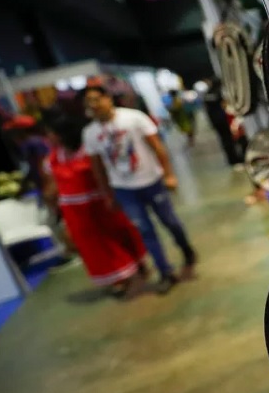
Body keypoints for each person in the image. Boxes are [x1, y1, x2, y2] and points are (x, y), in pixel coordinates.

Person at [79, 86, 197, 292]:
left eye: (96, 99)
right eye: (88, 102)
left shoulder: (134, 118)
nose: (93, 105)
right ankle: (165, 271)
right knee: (145, 230)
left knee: (169, 221)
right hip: (124, 188)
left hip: (152, 181)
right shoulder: (90, 133)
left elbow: (157, 147)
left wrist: (169, 174)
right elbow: (98, 167)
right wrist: (108, 195)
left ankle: (186, 248)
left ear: (108, 98)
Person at [41, 114, 148, 296]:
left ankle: (137, 264)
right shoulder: (52, 159)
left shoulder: (89, 151)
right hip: (74, 210)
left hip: (99, 203)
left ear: (61, 134)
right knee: (95, 246)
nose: (48, 138)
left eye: (50, 134)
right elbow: (52, 185)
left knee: (120, 233)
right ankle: (119, 278)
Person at [201, 78, 244, 169]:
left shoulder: (207, 94)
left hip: (216, 121)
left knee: (225, 141)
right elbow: (225, 105)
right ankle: (236, 159)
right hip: (223, 120)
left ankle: (232, 160)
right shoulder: (219, 93)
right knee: (230, 140)